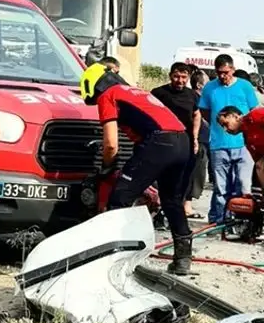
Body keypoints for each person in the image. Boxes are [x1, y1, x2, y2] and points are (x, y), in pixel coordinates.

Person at [80, 63, 194, 275]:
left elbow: (111, 144)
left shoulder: (108, 95)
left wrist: (107, 167)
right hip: (182, 140)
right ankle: (183, 259)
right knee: (172, 201)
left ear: (93, 86)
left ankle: (114, 256)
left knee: (120, 198)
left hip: (159, 142)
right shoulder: (134, 91)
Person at [196, 54, 260, 224]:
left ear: (232, 69)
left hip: (244, 144)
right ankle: (218, 220)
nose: (223, 76)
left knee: (243, 185)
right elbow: (204, 111)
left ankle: (240, 221)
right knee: (221, 187)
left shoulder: (245, 86)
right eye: (219, 73)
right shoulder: (210, 88)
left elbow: (255, 111)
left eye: (226, 72)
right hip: (219, 143)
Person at [151, 62, 202, 221]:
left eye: (183, 77)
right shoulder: (158, 93)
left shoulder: (192, 95)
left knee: (184, 176)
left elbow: (197, 115)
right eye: (176, 76)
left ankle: (178, 207)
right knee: (162, 176)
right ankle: (158, 207)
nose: (180, 80)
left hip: (185, 141)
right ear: (170, 76)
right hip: (163, 140)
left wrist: (195, 137)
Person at [217, 104, 264, 193]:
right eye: (222, 127)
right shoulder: (248, 139)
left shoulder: (255, 115)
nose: (225, 129)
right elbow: (260, 165)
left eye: (225, 124)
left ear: (235, 116)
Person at [187, 68, 210, 216]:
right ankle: (187, 207)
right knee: (194, 174)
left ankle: (187, 206)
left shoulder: (203, 99)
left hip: (203, 140)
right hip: (198, 141)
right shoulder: (195, 99)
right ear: (200, 85)